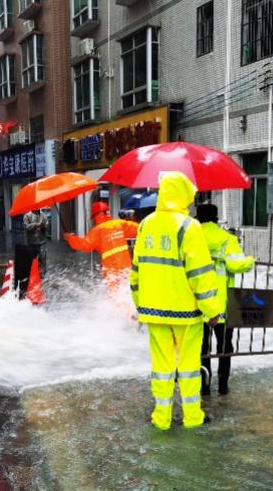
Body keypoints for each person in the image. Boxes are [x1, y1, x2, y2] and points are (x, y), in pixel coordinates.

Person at [130, 171, 221, 431]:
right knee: (189, 367)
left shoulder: (146, 224)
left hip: (153, 311)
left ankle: (162, 418)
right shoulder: (188, 226)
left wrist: (139, 303)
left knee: (161, 367)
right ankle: (192, 417)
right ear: (182, 195)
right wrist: (212, 309)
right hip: (185, 312)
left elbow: (136, 270)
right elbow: (200, 274)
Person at [195, 203, 255, 396]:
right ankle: (223, 386)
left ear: (198, 217)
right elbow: (237, 264)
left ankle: (204, 386)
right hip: (223, 304)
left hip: (197, 304)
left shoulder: (191, 237)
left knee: (201, 348)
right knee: (224, 347)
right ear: (216, 217)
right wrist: (251, 260)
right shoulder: (227, 239)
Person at [64, 200, 138, 292]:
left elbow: (85, 245)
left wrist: (69, 238)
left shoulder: (98, 230)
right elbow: (139, 229)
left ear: (96, 216)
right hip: (126, 267)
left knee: (115, 296)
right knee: (128, 291)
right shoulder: (120, 224)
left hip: (111, 270)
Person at [22, 209, 48, 275]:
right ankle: (30, 274)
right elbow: (26, 227)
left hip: (42, 241)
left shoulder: (44, 216)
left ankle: (42, 274)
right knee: (30, 259)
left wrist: (43, 226)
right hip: (31, 242)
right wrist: (36, 225)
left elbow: (47, 225)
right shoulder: (27, 216)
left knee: (42, 258)